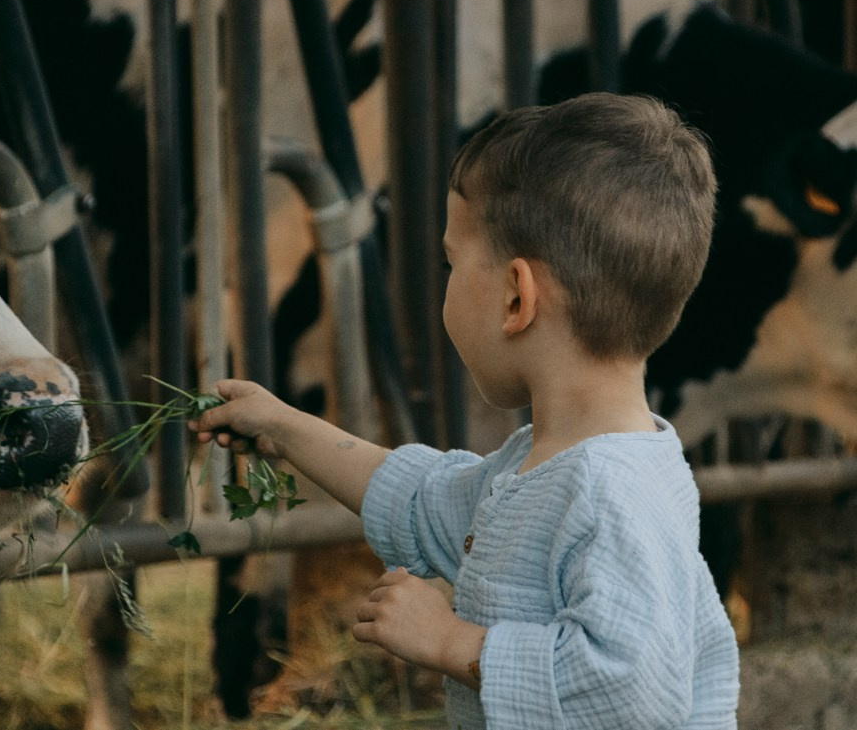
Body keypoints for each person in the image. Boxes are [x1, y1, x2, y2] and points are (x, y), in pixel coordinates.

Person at [190, 92, 740, 729]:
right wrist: (283, 426)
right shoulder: (551, 465)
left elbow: (631, 692)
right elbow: (421, 499)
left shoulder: (609, 491)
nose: (443, 280)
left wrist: (453, 645)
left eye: (451, 261)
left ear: (515, 297)